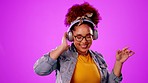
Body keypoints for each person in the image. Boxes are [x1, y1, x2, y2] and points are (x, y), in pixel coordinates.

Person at [34, 2, 135, 83]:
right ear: (70, 36)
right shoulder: (62, 56)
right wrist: (61, 48)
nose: (84, 41)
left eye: (88, 36)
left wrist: (119, 63)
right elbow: (39, 70)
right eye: (78, 37)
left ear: (94, 36)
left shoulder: (98, 58)